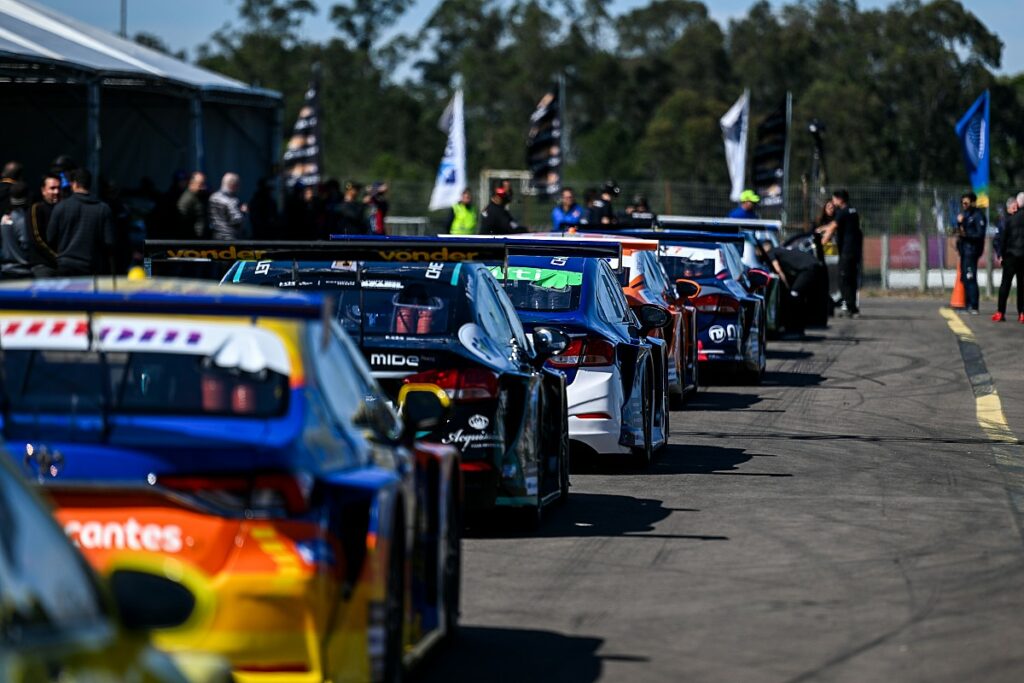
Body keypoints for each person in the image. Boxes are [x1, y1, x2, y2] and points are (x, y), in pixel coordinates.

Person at [45, 168, 114, 275]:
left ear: (74, 184)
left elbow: (50, 238)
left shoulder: (60, 207)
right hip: (91, 267)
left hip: (65, 265)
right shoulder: (103, 209)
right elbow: (109, 242)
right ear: (90, 184)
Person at [757, 241, 823, 335]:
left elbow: (778, 270)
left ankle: (795, 330)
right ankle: (798, 328)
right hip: (815, 265)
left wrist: (786, 285)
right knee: (800, 297)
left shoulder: (771, 252)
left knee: (793, 295)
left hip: (808, 269)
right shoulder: (781, 250)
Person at [817, 189, 863, 317]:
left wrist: (821, 243)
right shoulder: (853, 211)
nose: (833, 202)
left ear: (840, 199)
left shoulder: (842, 212)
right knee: (852, 279)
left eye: (834, 199)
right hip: (855, 251)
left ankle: (849, 307)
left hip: (846, 251)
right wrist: (824, 228)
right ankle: (853, 306)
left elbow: (832, 228)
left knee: (844, 279)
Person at [954, 191, 987, 315]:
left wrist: (966, 235)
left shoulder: (978, 215)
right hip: (964, 250)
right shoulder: (965, 215)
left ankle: (973, 306)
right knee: (965, 278)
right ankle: (967, 304)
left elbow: (980, 234)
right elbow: (961, 230)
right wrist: (959, 224)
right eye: (963, 203)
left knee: (970, 277)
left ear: (972, 202)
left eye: (966, 203)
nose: (964, 205)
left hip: (972, 251)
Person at [993, 192, 1024, 322]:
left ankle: (1000, 312)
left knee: (1005, 284)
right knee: (1022, 286)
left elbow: (1003, 239)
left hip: (1010, 255)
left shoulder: (1009, 220)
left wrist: (1000, 254)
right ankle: (1022, 313)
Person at [28, 172, 61, 277]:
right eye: (52, 188)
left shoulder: (63, 208)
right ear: (43, 190)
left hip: (62, 265)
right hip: (44, 265)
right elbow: (37, 238)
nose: (57, 191)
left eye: (59, 188)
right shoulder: (36, 209)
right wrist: (56, 256)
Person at [0, 182, 34, 278]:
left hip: (5, 270)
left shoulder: (4, 218)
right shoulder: (21, 219)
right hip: (21, 272)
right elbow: (26, 243)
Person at [209, 173, 247, 241]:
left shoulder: (213, 197)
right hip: (229, 239)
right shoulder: (231, 201)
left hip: (215, 237)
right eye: (237, 185)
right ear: (232, 185)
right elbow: (237, 221)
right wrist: (243, 212)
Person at [176, 172, 208, 238]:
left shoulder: (200, 196)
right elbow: (182, 221)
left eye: (204, 184)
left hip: (200, 238)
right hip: (191, 239)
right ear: (192, 183)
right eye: (200, 185)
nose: (203, 187)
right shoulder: (186, 199)